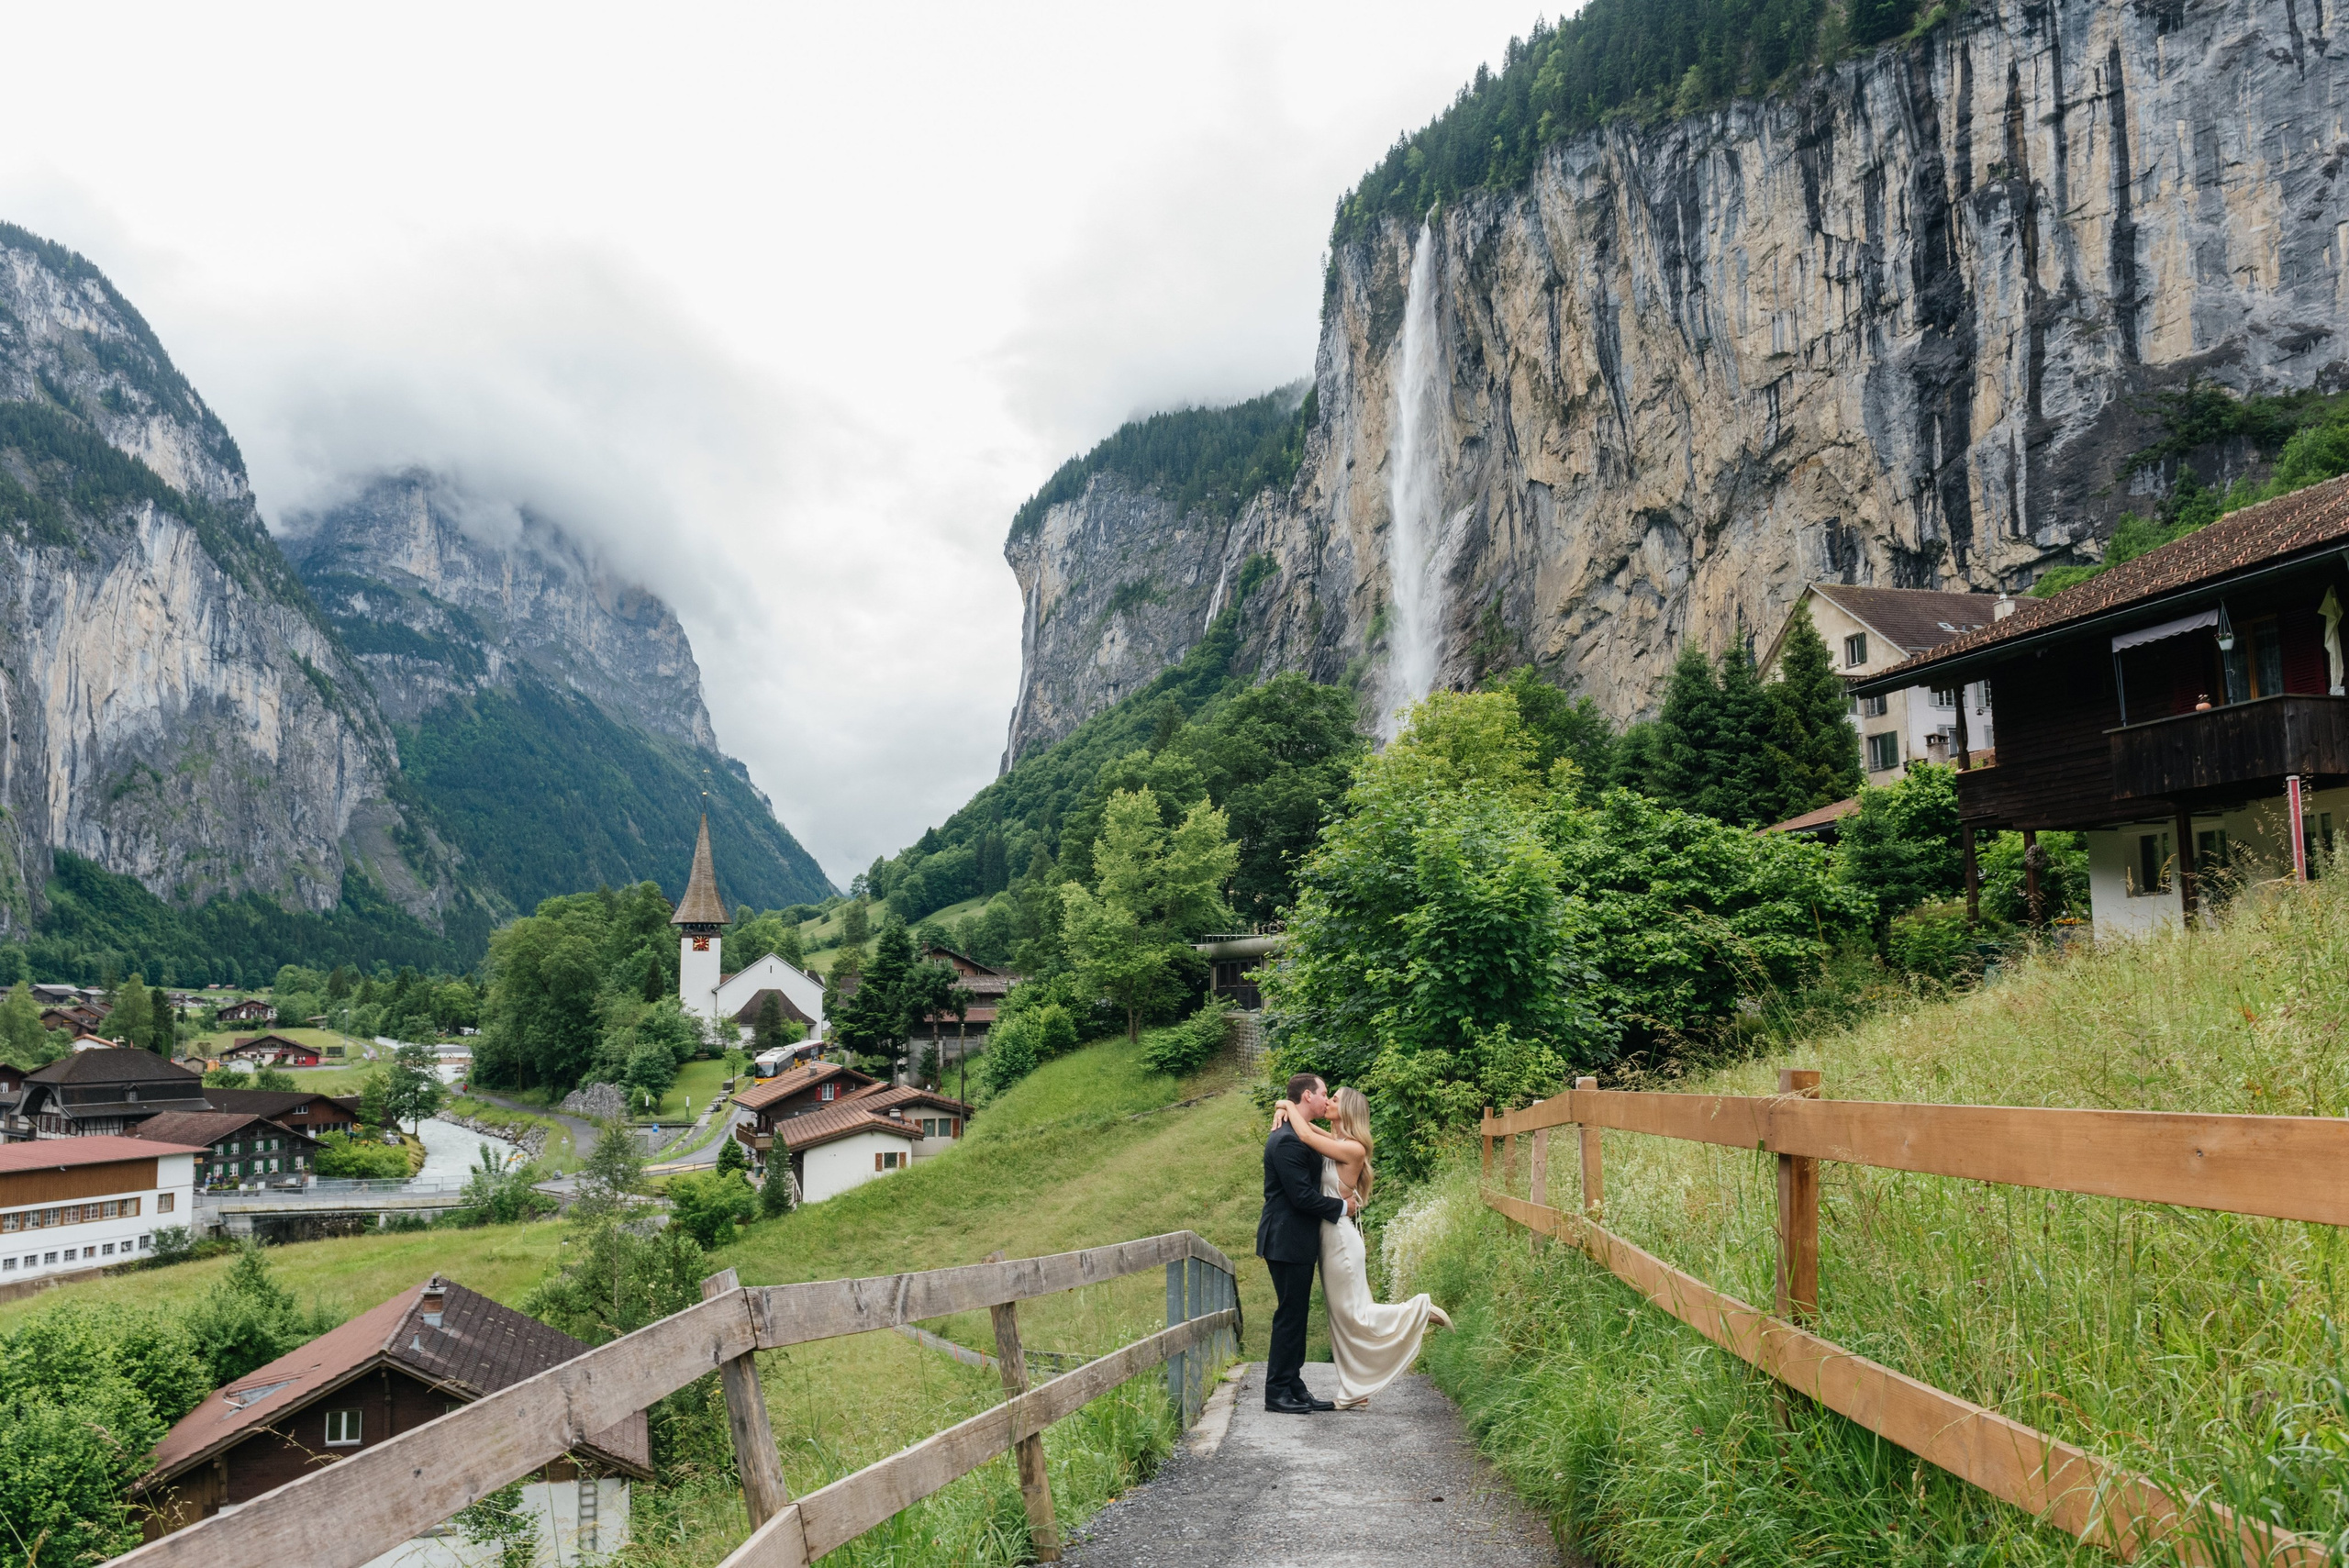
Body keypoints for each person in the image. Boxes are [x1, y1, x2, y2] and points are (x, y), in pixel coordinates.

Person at [1272, 1084, 1451, 1409]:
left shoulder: (1353, 1148)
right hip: (1328, 1239)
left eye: (1335, 1099)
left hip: (1340, 1240)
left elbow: (1308, 1137)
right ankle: (1356, 1390)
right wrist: (1285, 1109)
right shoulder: (1336, 1141)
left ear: (1348, 1110)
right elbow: (1307, 1128)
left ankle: (1419, 1311)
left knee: (1353, 1314)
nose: (1328, 1101)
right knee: (1342, 1318)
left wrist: (1285, 1102)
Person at [1255, 1072, 1352, 1414]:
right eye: (1324, 1093)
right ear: (1308, 1096)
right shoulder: (1286, 1141)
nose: (1327, 1099)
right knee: (1289, 1316)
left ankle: (1294, 1386)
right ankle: (1276, 1392)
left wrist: (1282, 1104)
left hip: (1295, 1240)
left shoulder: (1300, 1133)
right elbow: (1301, 1198)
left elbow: (1318, 1139)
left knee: (1295, 1315)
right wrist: (1343, 1207)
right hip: (1285, 1238)